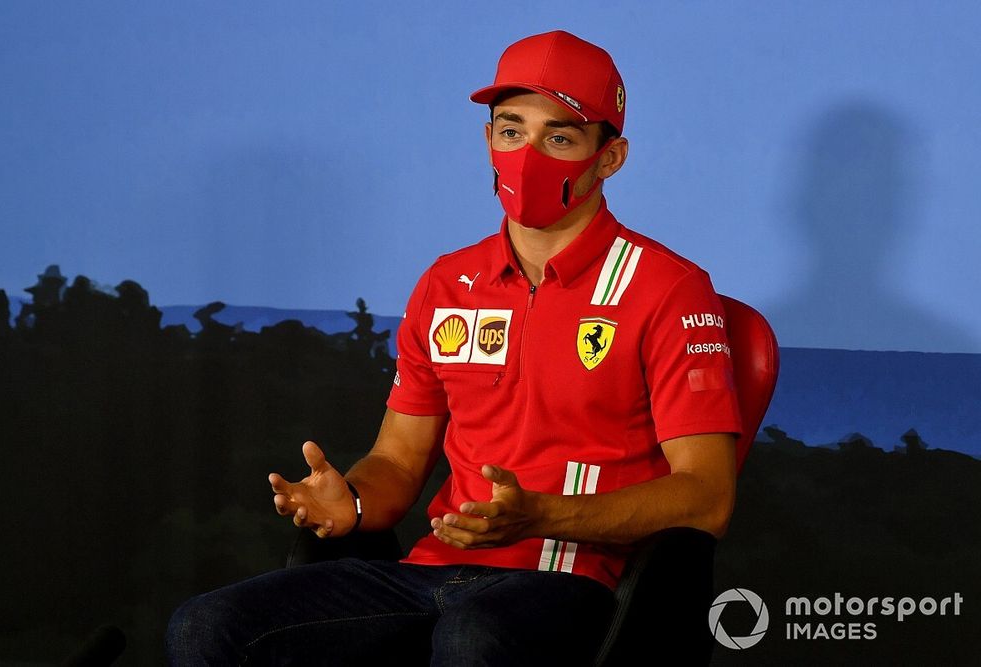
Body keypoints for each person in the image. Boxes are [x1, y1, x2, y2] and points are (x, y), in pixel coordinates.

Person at [166, 30, 741, 666]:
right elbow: (399, 458)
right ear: (488, 138)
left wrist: (543, 515)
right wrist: (352, 500)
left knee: (472, 640)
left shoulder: (670, 289)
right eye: (511, 129)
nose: (527, 154)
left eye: (560, 137)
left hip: (574, 584)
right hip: (432, 572)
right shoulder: (447, 283)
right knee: (208, 626)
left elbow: (706, 497)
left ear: (610, 158)